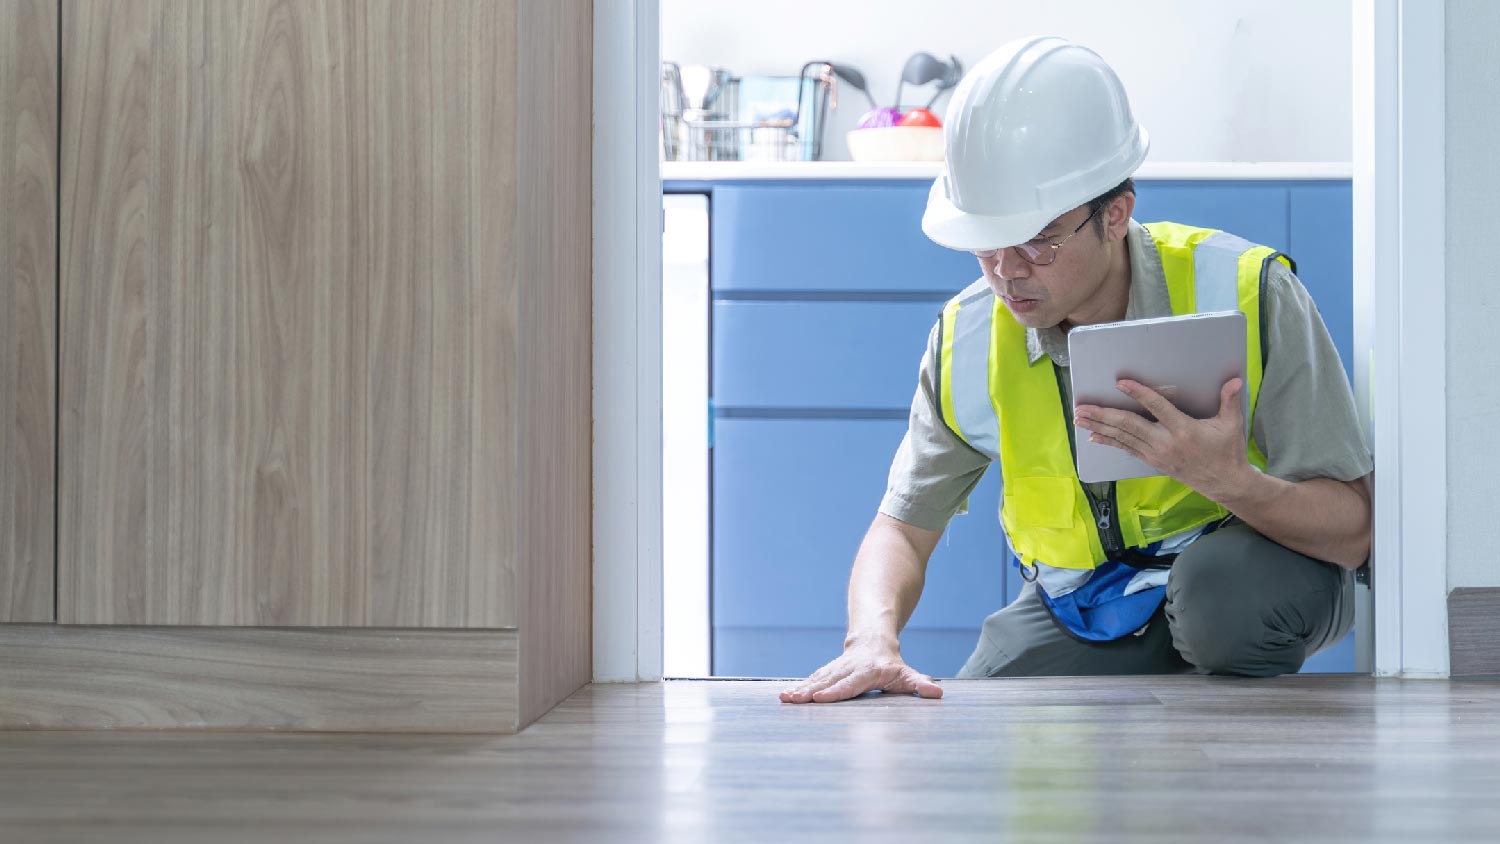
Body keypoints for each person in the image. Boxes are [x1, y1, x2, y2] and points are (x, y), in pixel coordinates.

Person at [781, 36, 1373, 704]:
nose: (1007, 272)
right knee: (982, 710)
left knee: (1219, 606)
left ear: (1115, 214)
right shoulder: (966, 339)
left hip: (1256, 574)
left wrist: (1229, 482)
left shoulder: (1246, 290)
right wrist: (870, 639)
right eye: (985, 243)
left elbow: (1353, 529)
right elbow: (902, 528)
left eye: (1039, 239)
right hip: (1087, 603)